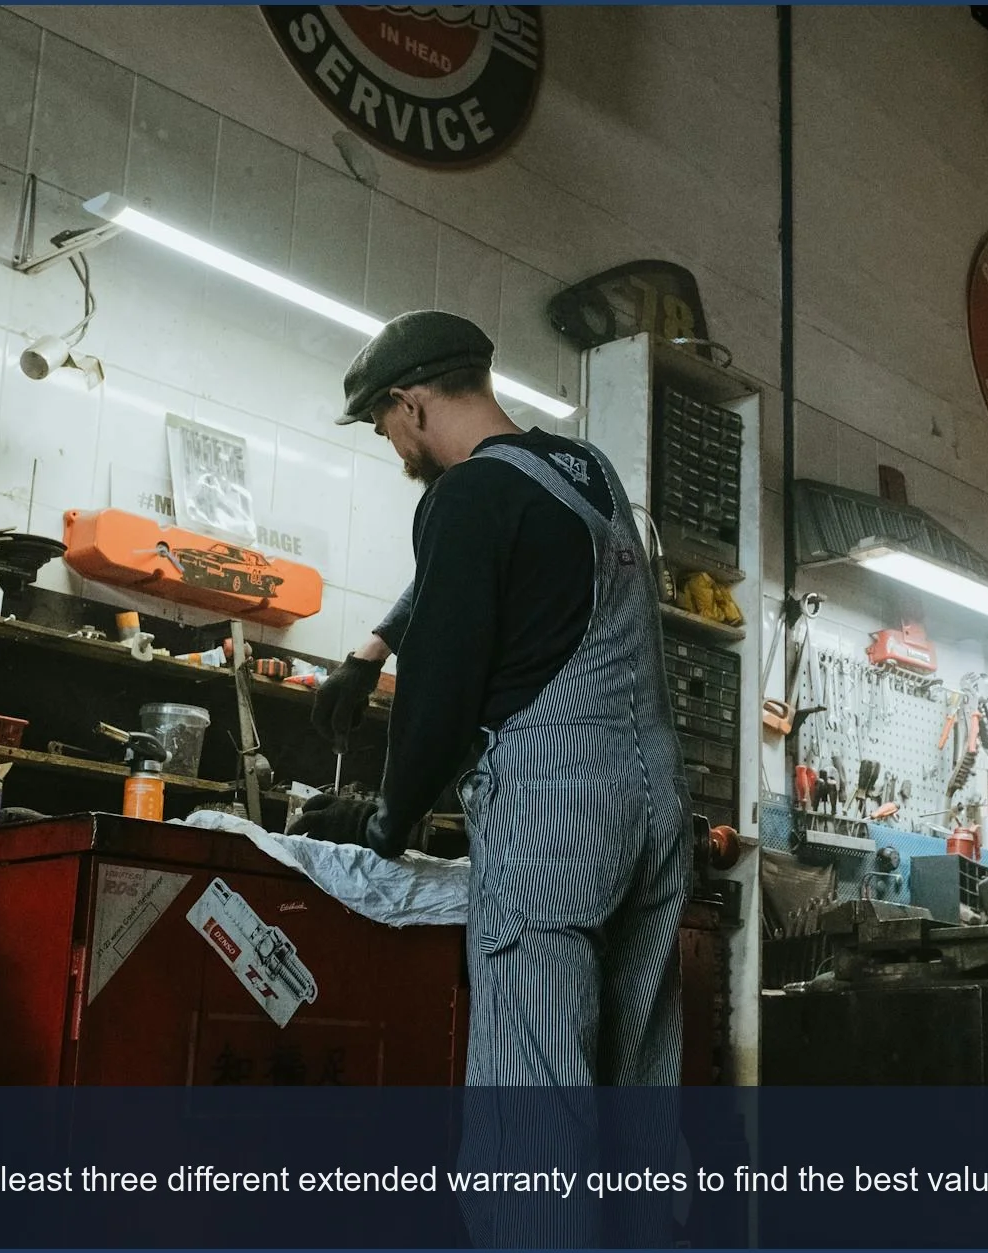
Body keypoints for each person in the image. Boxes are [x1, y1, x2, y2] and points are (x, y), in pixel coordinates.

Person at [294, 310, 691, 1093]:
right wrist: (370, 649)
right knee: (637, 1098)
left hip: (559, 820)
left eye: (384, 428)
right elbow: (487, 563)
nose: (396, 449)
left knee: (534, 1106)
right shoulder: (585, 472)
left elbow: (439, 696)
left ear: (410, 404)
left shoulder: (465, 493)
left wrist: (387, 817)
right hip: (656, 810)